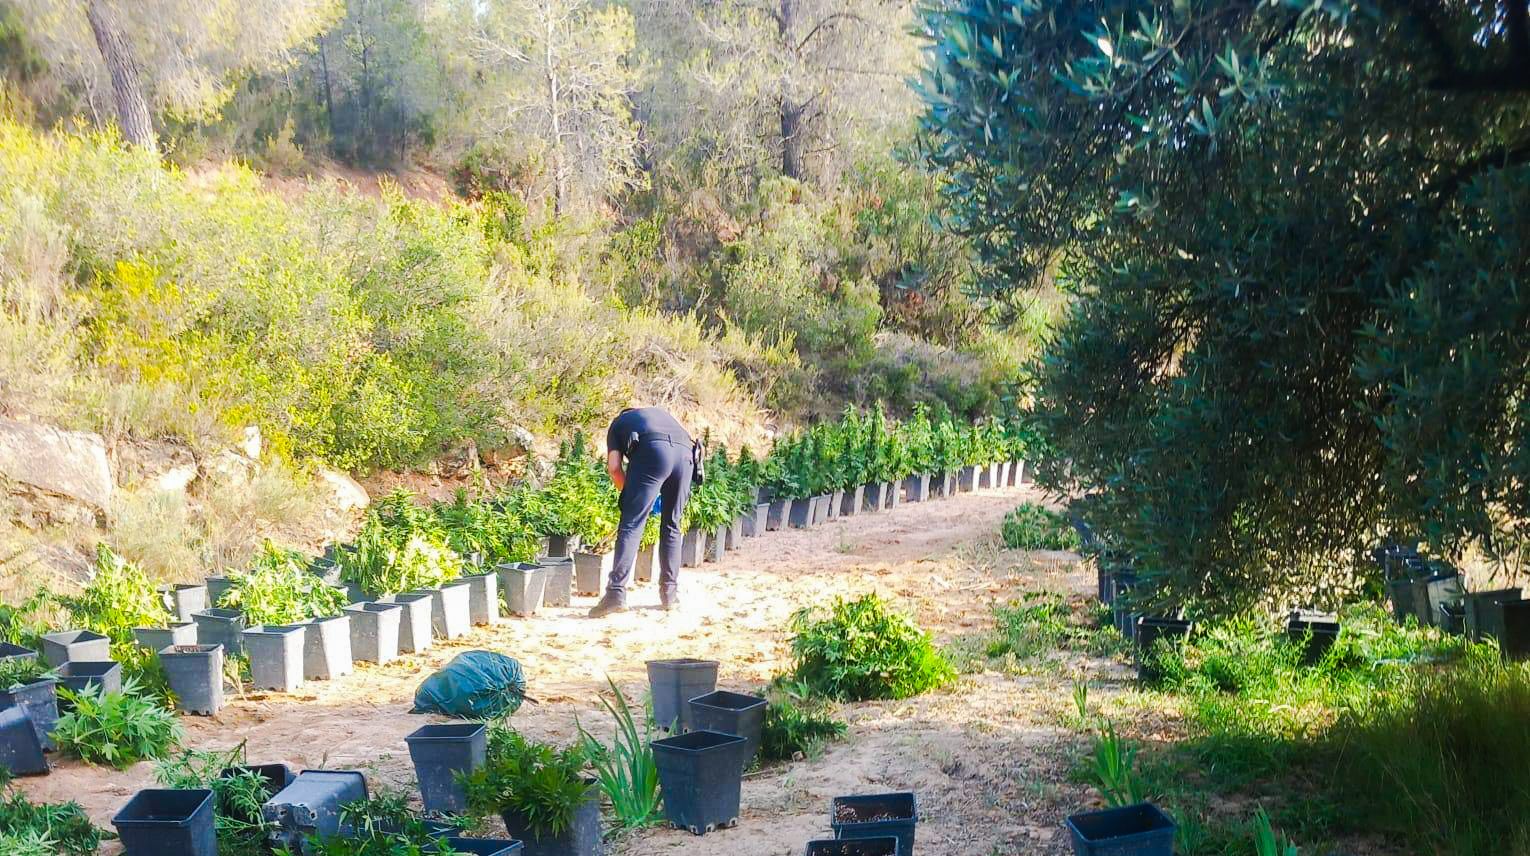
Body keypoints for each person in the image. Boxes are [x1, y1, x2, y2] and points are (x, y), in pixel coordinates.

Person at [588, 406, 696, 618]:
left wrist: (633, 497)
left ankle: (616, 594)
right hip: (686, 453)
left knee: (632, 523)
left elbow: (614, 467)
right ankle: (670, 595)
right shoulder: (658, 414)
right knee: (672, 524)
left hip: (654, 451)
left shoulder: (618, 424)